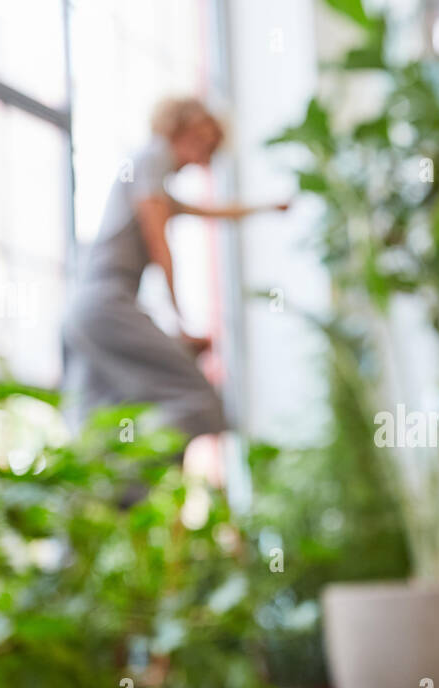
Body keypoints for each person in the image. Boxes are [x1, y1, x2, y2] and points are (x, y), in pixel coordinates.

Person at [60, 96, 288, 486]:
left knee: (97, 425)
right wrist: (181, 320)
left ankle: (113, 506)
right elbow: (159, 241)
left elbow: (212, 212)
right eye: (206, 140)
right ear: (184, 126)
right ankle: (137, 485)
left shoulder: (152, 175)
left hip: (84, 314)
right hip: (105, 305)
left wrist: (267, 207)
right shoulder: (150, 160)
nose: (204, 156)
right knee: (199, 401)